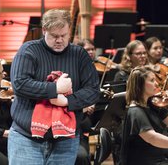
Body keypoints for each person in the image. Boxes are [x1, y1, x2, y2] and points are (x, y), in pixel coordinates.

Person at [8, 9, 100, 165]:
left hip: (66, 140)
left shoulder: (79, 55)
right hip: (26, 138)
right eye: (54, 36)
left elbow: (92, 91)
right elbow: (19, 84)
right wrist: (55, 89)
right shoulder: (29, 50)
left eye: (64, 36)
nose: (60, 40)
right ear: (44, 30)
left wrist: (66, 101)